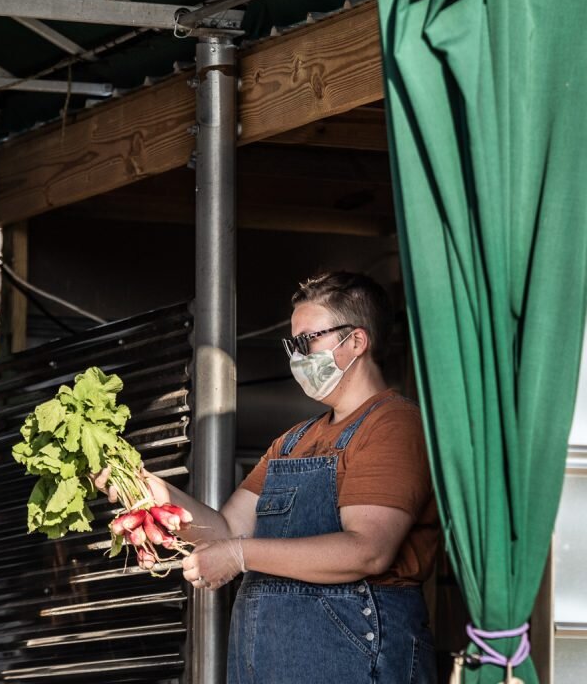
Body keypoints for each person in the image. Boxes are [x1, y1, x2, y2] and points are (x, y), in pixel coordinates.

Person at [97, 271, 440, 683]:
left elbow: (367, 550)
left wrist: (241, 555)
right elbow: (224, 528)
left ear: (356, 342)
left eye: (306, 341)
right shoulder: (293, 441)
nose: (296, 356)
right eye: (291, 344)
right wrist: (154, 491)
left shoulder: (393, 426)